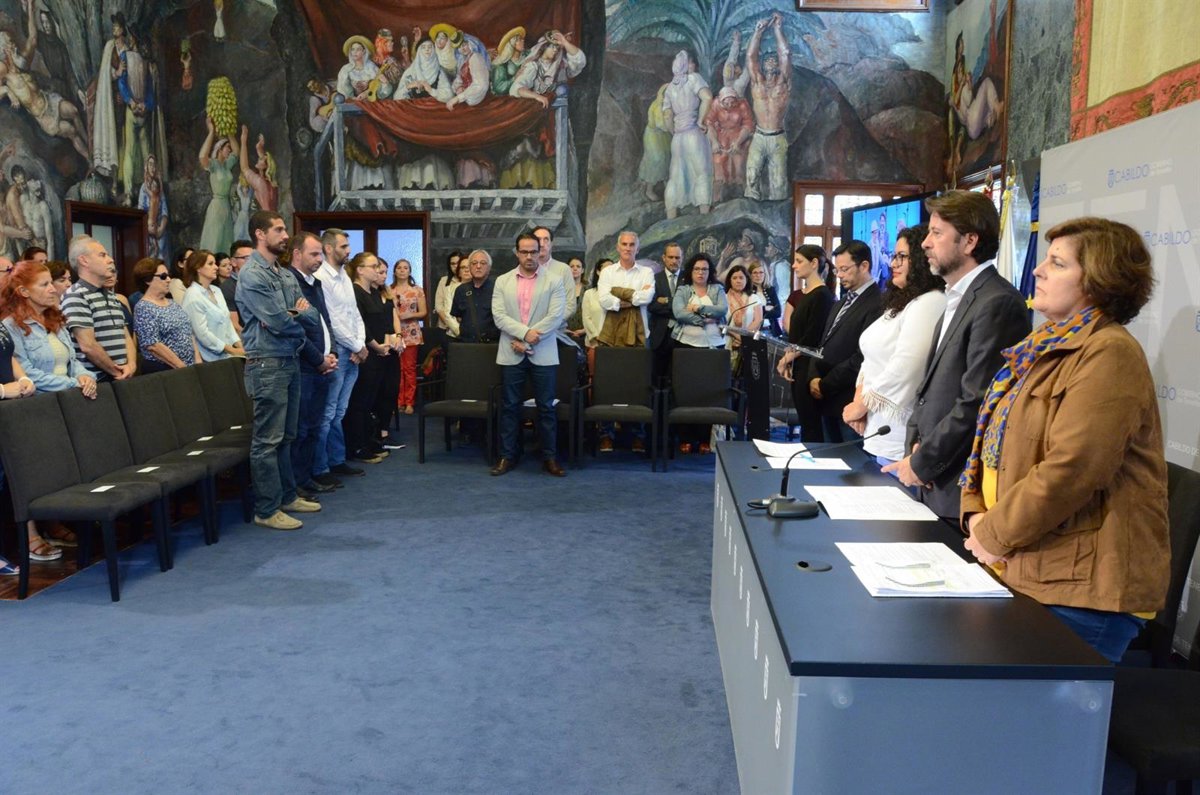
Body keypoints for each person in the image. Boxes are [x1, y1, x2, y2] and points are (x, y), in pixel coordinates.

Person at [959, 217, 1168, 663]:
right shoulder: (1043, 345)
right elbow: (995, 443)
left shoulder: (1109, 352)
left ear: (1098, 280)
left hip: (1082, 589)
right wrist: (974, 511)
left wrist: (992, 533)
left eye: (1057, 263)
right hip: (1025, 564)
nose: (1037, 270)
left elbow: (1072, 468)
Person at [882, 191, 1030, 521]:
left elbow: (977, 401)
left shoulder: (997, 302)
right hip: (932, 477)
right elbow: (930, 390)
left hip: (957, 484)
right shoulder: (956, 296)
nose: (925, 244)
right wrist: (915, 448)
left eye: (937, 233)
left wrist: (923, 462)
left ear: (969, 242)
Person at [2, 260, 96, 563]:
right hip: (35, 409)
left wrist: (85, 377)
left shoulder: (55, 319)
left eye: (51, 283)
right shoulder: (11, 326)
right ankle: (31, 534)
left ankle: (53, 522)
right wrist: (72, 384)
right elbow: (27, 372)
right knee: (32, 472)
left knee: (57, 470)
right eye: (44, 284)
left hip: (64, 406)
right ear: (23, 291)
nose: (53, 289)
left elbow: (73, 361)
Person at [236, 210, 321, 531]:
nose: (286, 236)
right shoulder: (252, 274)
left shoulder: (284, 274)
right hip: (266, 363)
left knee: (287, 435)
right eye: (279, 230)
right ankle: (267, 508)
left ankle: (287, 496)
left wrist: (292, 316)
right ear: (260, 234)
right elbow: (278, 321)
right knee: (267, 440)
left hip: (289, 359)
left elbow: (312, 316)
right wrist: (293, 317)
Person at [841, 226, 946, 467]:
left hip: (900, 432)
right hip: (876, 425)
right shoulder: (901, 303)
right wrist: (860, 400)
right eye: (893, 256)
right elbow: (870, 358)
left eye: (902, 256)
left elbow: (907, 366)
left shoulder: (931, 301)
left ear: (921, 260)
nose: (893, 263)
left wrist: (862, 405)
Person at [490, 233, 568, 477]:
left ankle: (550, 458)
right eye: (524, 252)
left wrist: (528, 339)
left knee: (546, 408)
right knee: (510, 407)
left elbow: (555, 316)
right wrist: (525, 334)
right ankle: (507, 456)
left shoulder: (554, 280)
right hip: (511, 350)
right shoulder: (502, 281)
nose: (529, 256)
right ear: (517, 253)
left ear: (540, 251)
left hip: (542, 351)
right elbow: (499, 316)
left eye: (534, 251)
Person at [807, 240, 882, 442]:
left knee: (851, 459)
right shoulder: (841, 302)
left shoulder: (878, 303)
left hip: (849, 399)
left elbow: (862, 357)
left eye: (844, 269)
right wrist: (813, 377)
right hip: (826, 398)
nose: (839, 275)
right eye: (837, 269)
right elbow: (823, 343)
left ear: (864, 266)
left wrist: (825, 385)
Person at [315, 228, 368, 488]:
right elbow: (331, 320)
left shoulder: (344, 275)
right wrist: (357, 345)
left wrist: (360, 344)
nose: (349, 251)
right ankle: (320, 467)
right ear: (328, 248)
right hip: (336, 351)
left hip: (352, 351)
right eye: (344, 246)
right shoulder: (321, 277)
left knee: (339, 411)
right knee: (327, 413)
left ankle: (337, 460)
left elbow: (354, 313)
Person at [286, 231, 338, 498]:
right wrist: (319, 359)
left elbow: (324, 321)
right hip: (305, 367)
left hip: (323, 364)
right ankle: (295, 483)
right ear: (297, 254)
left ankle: (306, 478)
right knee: (301, 429)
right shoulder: (288, 282)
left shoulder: (315, 283)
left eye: (321, 254)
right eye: (314, 254)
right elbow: (293, 327)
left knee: (315, 427)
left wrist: (333, 352)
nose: (320, 259)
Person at [596, 231, 654, 452]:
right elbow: (604, 300)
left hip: (640, 336)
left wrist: (618, 294)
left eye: (632, 244)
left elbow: (647, 298)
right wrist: (633, 297)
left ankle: (637, 435)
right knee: (609, 385)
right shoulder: (607, 272)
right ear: (618, 247)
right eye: (624, 244)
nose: (628, 248)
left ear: (637, 248)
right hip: (610, 336)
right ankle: (606, 435)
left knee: (637, 384)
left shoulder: (647, 272)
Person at [670, 253, 728, 454]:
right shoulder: (683, 289)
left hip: (713, 346)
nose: (701, 273)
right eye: (697, 269)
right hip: (686, 345)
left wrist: (696, 308)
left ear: (710, 271)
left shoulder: (717, 289)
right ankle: (685, 437)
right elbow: (679, 313)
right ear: (691, 271)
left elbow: (722, 310)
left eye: (704, 269)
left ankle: (704, 438)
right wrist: (703, 319)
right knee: (687, 392)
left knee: (708, 394)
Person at [776, 245, 834, 443]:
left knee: (811, 425)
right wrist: (790, 356)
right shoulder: (807, 294)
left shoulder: (822, 295)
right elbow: (798, 334)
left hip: (810, 367)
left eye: (799, 261)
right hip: (800, 364)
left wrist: (787, 358)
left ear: (814, 263)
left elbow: (812, 337)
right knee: (806, 423)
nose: (794, 266)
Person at [347, 252, 401, 463]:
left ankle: (368, 440)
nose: (378, 270)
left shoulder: (373, 292)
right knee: (360, 402)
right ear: (360, 270)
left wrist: (389, 342)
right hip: (366, 353)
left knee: (370, 402)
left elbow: (384, 322)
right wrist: (376, 346)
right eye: (373, 266)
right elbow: (361, 325)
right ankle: (357, 446)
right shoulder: (355, 292)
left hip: (379, 353)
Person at [60, 235, 136, 382]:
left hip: (122, 376)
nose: (110, 259)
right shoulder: (76, 295)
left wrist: (131, 364)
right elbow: (88, 345)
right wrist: (116, 371)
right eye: (102, 255)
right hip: (97, 380)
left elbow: (125, 335)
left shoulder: (110, 295)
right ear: (84, 261)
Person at [745, 13, 791, 201]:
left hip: (777, 138)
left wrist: (778, 29)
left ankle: (776, 214)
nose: (771, 61)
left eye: (774, 59)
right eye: (767, 59)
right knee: (751, 177)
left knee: (779, 183)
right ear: (762, 65)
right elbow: (750, 56)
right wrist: (758, 32)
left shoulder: (783, 84)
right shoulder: (757, 83)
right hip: (759, 136)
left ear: (778, 66)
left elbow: (785, 54)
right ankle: (750, 210)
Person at [661, 50, 712, 219]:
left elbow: (667, 115)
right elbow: (708, 97)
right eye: (689, 62)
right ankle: (704, 215)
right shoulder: (694, 79)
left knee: (675, 176)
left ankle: (671, 216)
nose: (692, 65)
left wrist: (673, 131)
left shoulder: (669, 88)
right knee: (701, 173)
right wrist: (700, 121)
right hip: (693, 134)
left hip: (678, 138)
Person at [132, 257, 197, 373]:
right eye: (163, 276)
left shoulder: (172, 303)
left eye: (168, 275)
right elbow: (153, 345)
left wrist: (197, 361)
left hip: (188, 367)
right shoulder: (143, 307)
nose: (169, 280)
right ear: (148, 280)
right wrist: (182, 367)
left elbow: (188, 331)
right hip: (165, 371)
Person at [181, 249, 244, 362]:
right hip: (209, 360)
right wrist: (232, 350)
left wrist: (239, 346)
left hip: (229, 355)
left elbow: (228, 323)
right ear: (198, 268)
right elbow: (203, 334)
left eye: (215, 263)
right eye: (210, 264)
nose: (216, 267)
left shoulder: (216, 290)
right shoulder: (192, 295)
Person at [391, 259, 425, 414]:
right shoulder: (388, 290)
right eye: (399, 267)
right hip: (394, 333)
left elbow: (423, 312)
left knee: (409, 369)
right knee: (396, 369)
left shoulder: (417, 290)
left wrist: (410, 315)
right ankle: (398, 401)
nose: (402, 270)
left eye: (405, 268)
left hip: (411, 332)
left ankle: (410, 402)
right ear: (394, 271)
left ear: (410, 271)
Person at [647, 243, 682, 387]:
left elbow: (689, 306)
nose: (674, 261)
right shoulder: (654, 278)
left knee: (679, 377)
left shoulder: (688, 279)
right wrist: (678, 306)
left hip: (682, 335)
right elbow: (652, 305)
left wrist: (666, 300)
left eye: (677, 258)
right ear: (664, 258)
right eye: (671, 257)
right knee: (657, 379)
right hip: (659, 336)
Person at [723, 265, 761, 372]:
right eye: (734, 278)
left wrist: (743, 337)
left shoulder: (754, 298)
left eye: (741, 278)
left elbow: (758, 320)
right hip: (727, 342)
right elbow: (720, 323)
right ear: (729, 280)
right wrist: (737, 336)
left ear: (747, 280)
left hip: (748, 342)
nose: (738, 281)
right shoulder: (722, 298)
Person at [222, 240, 253, 334]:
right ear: (233, 262)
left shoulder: (259, 282)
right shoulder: (228, 287)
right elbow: (234, 325)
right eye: (246, 258)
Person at [746, 261, 781, 336]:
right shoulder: (747, 291)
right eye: (755, 273)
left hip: (770, 331)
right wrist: (765, 308)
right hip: (752, 331)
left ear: (765, 274)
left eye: (761, 272)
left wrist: (758, 311)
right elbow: (749, 312)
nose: (758, 275)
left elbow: (778, 312)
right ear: (750, 275)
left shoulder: (770, 289)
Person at [432, 251, 462, 331]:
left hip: (465, 327)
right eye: (453, 264)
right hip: (445, 327)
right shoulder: (444, 281)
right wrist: (451, 325)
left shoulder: (469, 281)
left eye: (458, 263)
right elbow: (439, 307)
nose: (456, 266)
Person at [563, 256, 587, 344]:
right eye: (572, 266)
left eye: (578, 266)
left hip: (585, 334)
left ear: (582, 270)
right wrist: (563, 329)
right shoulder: (560, 288)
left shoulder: (589, 290)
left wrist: (584, 330)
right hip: (564, 333)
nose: (575, 269)